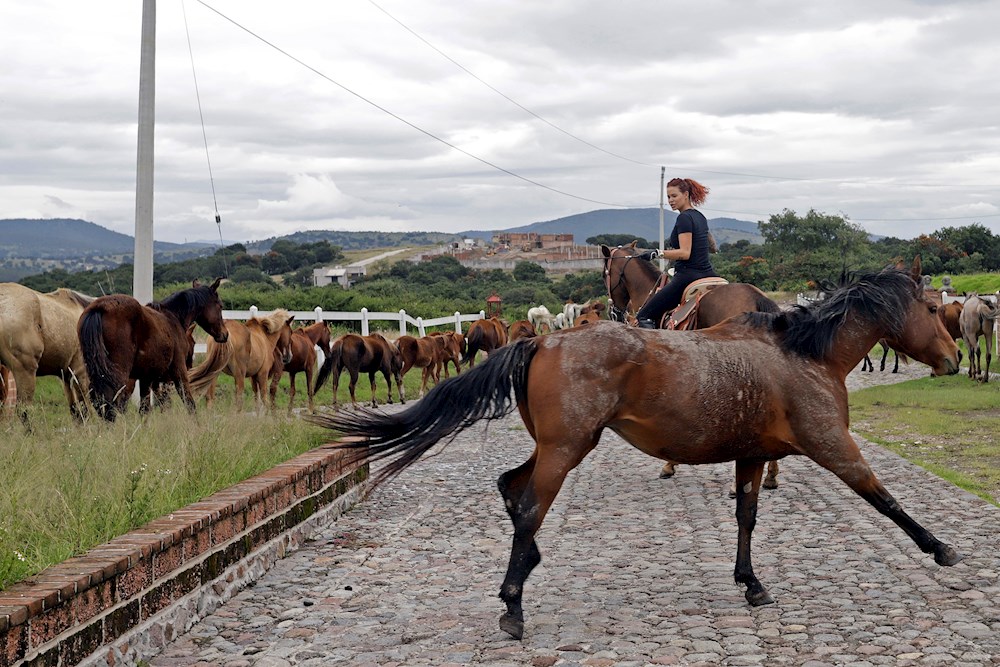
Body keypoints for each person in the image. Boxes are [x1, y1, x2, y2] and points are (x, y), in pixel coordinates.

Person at [635, 177, 719, 328]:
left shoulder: (684, 218)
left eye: (674, 196)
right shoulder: (700, 216)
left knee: (644, 316)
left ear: (686, 195)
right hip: (709, 274)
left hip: (687, 276)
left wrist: (657, 253)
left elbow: (685, 253)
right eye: (668, 197)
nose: (670, 200)